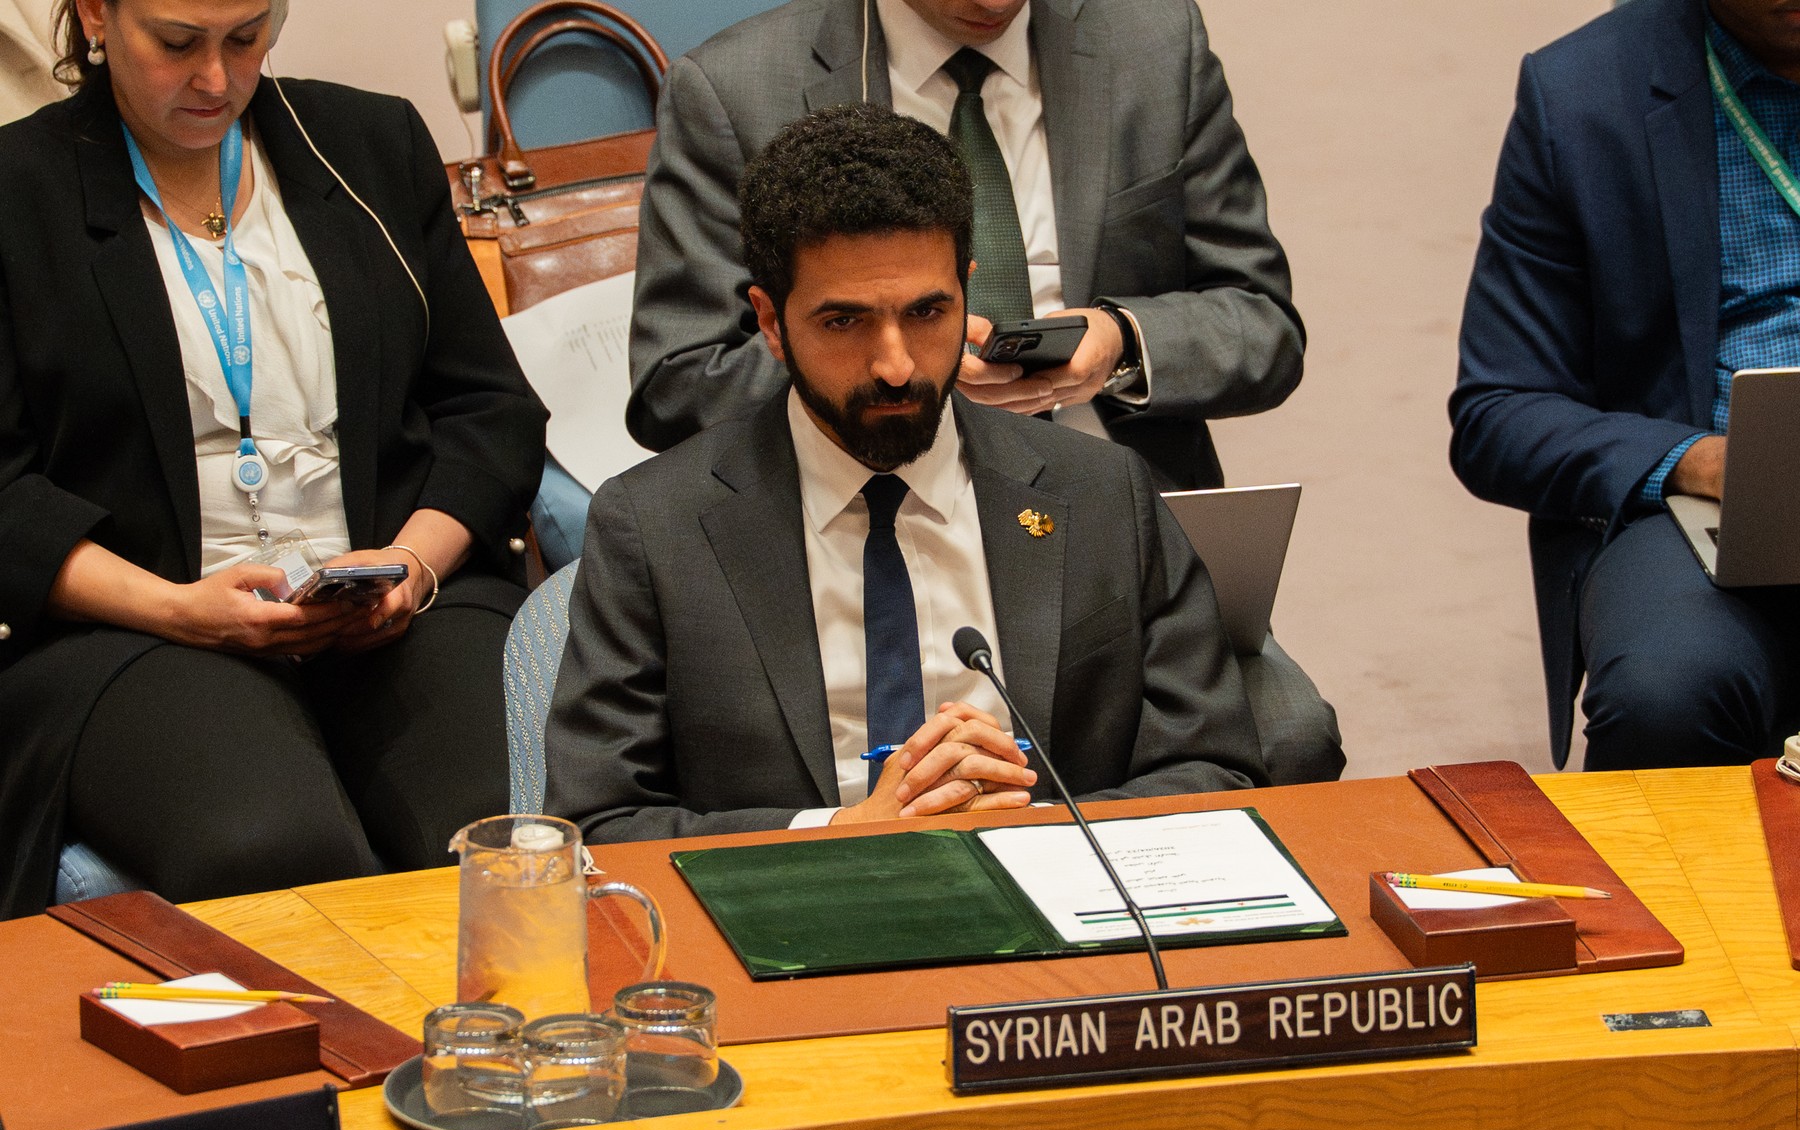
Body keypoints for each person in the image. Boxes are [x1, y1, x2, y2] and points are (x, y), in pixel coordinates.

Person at [623, 0, 1342, 787]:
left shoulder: (1153, 41)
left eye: (937, 306)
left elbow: (1263, 323)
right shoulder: (732, 86)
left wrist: (1121, 341)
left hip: (1119, 538)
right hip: (853, 514)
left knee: (1285, 734)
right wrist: (895, 360)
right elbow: (679, 378)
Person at [545, 104, 1266, 842]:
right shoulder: (654, 524)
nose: (895, 365)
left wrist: (1039, 826)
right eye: (843, 322)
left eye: (927, 312)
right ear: (769, 321)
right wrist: (840, 832)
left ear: (967, 290)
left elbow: (1217, 768)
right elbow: (598, 822)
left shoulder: (1102, 492)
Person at [0, 0, 547, 917]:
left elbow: (488, 409)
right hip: (139, 626)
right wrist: (180, 611)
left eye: (247, 38)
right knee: (277, 857)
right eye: (177, 44)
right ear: (97, 13)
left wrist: (410, 566)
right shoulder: (19, 194)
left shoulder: (367, 143)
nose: (217, 79)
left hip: (390, 598)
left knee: (489, 842)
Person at [1450, 0, 1800, 770]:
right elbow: (1499, 412)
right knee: (1665, 689)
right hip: (1706, 511)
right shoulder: (1582, 94)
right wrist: (1704, 462)